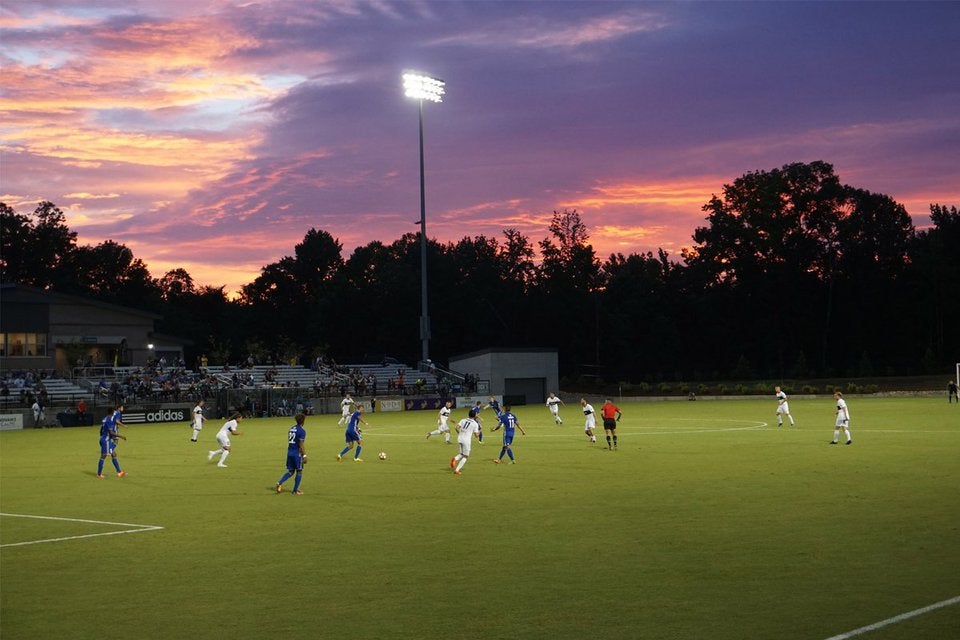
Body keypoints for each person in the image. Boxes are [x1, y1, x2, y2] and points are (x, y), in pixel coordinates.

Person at [276, 413, 307, 495]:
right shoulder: (302, 431)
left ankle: (279, 483)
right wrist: (304, 455)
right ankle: (295, 490)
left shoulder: (291, 429)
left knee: (290, 471)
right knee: (299, 471)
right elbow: (301, 444)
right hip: (297, 454)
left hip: (290, 452)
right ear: (303, 421)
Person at [97, 407, 127, 478]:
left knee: (113, 454)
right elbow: (111, 433)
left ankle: (119, 472)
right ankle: (99, 474)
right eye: (114, 411)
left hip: (103, 438)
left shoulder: (105, 419)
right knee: (103, 456)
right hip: (106, 440)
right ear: (112, 412)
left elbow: (101, 430)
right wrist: (121, 436)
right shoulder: (109, 420)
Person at [451, 409, 481, 475]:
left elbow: (456, 428)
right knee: (466, 456)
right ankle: (457, 470)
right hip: (466, 440)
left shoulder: (463, 420)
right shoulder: (475, 424)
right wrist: (480, 431)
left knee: (461, 453)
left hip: (459, 438)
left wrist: (459, 434)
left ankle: (455, 459)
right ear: (475, 416)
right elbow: (476, 436)